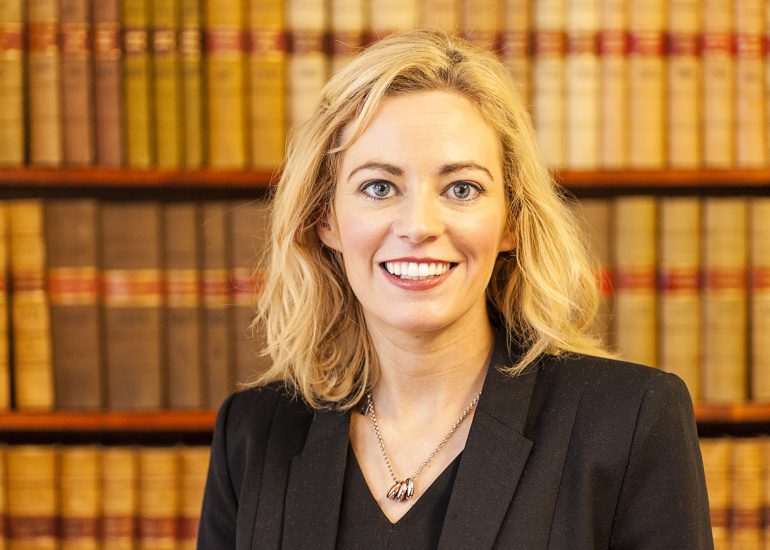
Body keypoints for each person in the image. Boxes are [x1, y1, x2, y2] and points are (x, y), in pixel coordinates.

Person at [197, 30, 713, 549]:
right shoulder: (253, 433)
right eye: (379, 187)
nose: (418, 226)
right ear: (325, 218)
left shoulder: (631, 419)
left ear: (511, 221)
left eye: (461, 188)